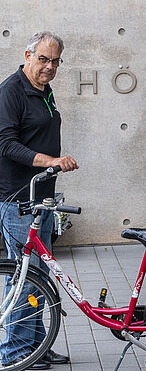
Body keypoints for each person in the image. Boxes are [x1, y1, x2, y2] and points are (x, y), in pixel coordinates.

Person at [0, 32, 78, 369]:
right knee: (25, 274)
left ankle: (36, 344)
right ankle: (17, 351)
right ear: (28, 54)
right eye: (43, 59)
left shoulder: (43, 90)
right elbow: (5, 144)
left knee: (40, 276)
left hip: (41, 198)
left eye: (55, 61)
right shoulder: (11, 91)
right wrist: (50, 161)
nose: (49, 66)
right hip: (18, 199)